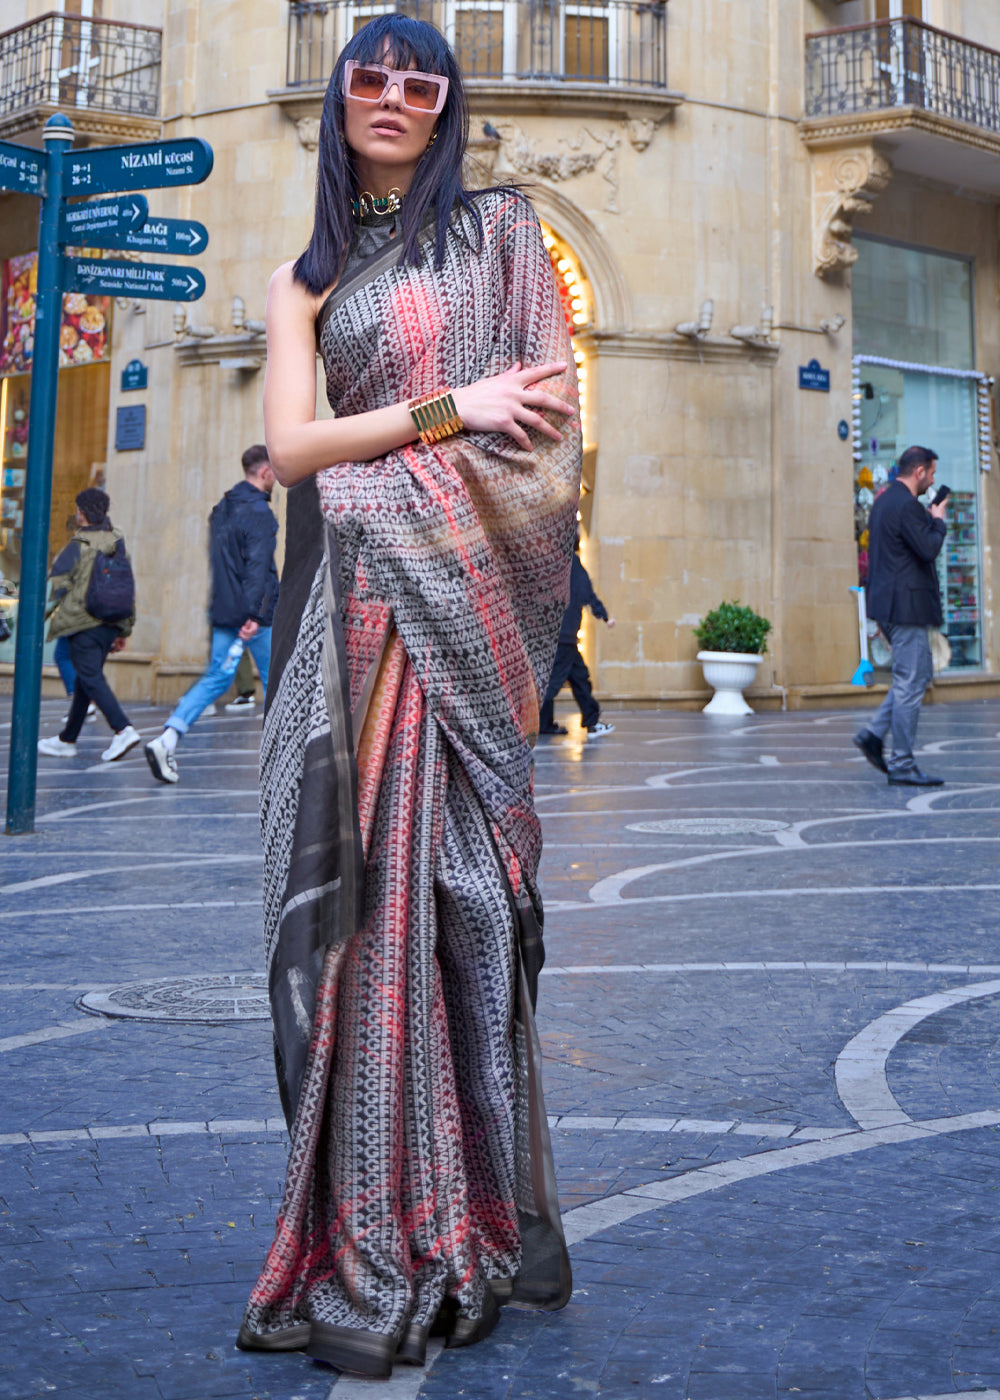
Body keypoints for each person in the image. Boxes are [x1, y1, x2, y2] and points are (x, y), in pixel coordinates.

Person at [236, 16, 580, 1378]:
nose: (391, 97)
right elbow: (292, 447)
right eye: (367, 78)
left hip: (463, 621)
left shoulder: (500, 236)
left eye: (418, 81)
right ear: (339, 101)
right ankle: (373, 1226)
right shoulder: (304, 281)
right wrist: (446, 413)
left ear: (447, 104)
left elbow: (544, 431)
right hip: (348, 633)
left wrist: (449, 434)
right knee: (359, 933)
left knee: (474, 908)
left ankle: (473, 1222)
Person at [144, 445, 278, 784]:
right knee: (278, 680)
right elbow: (258, 568)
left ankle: (167, 738)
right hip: (255, 615)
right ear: (265, 472)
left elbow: (222, 566)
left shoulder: (222, 508)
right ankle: (286, 761)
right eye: (274, 471)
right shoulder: (259, 512)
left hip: (225, 610)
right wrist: (254, 614)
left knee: (217, 677)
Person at [853, 444, 947, 786]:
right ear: (919, 471)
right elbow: (928, 549)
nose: (933, 479)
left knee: (915, 676)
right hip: (905, 607)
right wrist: (937, 521)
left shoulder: (883, 501)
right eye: (932, 473)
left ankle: (873, 734)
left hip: (892, 605)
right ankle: (903, 764)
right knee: (910, 682)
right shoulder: (906, 505)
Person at [36, 488, 140, 763]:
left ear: (81, 513)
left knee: (91, 678)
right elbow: (128, 589)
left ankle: (122, 729)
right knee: (84, 681)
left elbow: (54, 589)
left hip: (82, 623)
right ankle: (67, 740)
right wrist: (123, 629)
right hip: (108, 624)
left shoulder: (77, 545)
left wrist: (34, 622)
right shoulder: (117, 544)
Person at [540, 533, 615, 737]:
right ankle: (534, 722)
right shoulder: (572, 565)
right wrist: (605, 616)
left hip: (555, 636)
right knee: (551, 684)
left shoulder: (551, 566)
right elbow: (586, 593)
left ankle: (586, 721)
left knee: (579, 677)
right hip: (565, 638)